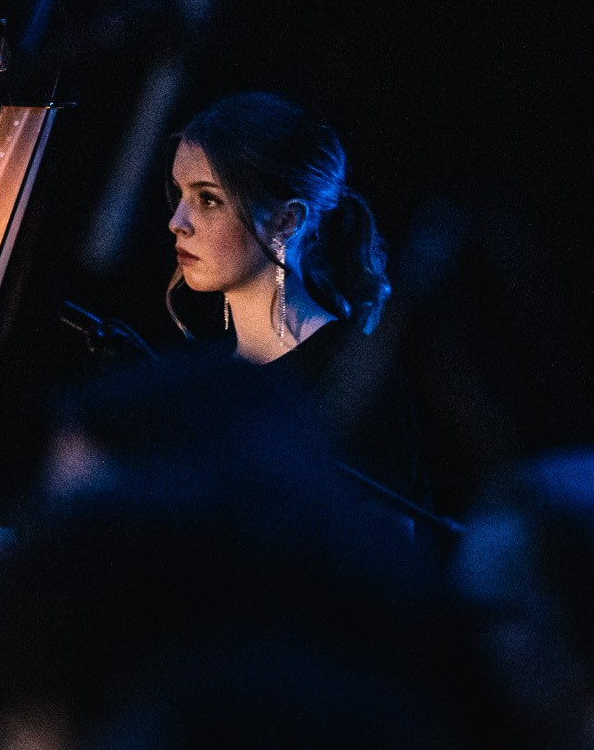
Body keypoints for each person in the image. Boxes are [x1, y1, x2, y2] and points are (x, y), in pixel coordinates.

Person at [164, 92, 421, 502]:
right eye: (179, 194)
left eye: (207, 199)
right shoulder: (205, 374)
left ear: (286, 221)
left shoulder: (351, 379)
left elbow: (386, 547)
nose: (178, 222)